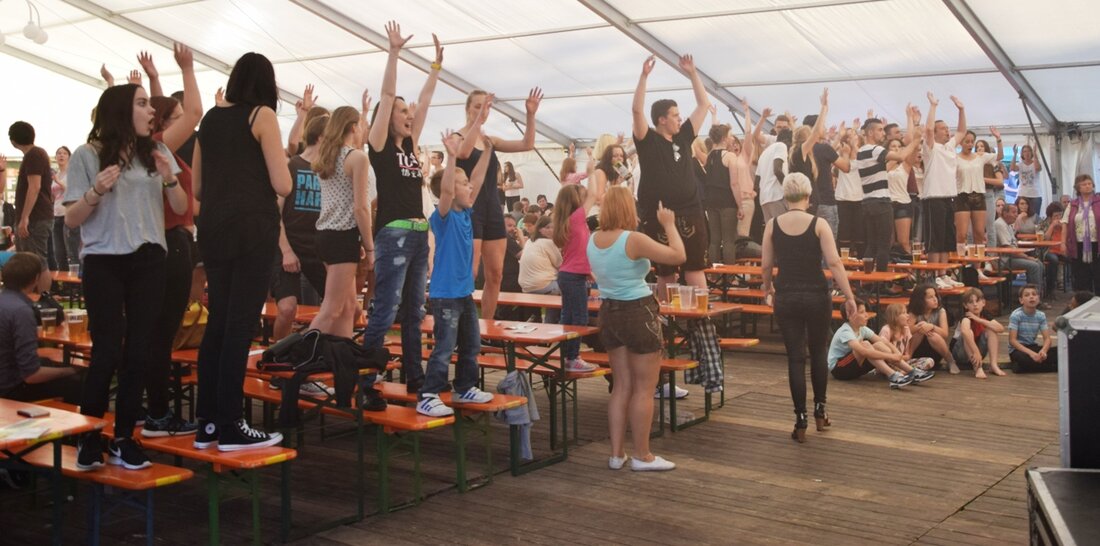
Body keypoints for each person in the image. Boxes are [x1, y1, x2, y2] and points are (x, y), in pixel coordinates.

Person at [64, 82, 190, 470]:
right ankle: (89, 436)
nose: (151, 111)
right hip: (104, 260)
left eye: (150, 105)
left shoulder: (156, 152)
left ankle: (123, 438)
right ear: (121, 110)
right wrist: (95, 192)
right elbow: (71, 219)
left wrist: (170, 179)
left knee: (140, 350)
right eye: (142, 104)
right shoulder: (88, 155)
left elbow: (183, 206)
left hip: (150, 259)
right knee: (106, 350)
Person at [191, 52, 291, 452]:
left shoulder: (210, 119)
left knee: (218, 325)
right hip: (252, 228)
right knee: (238, 326)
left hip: (213, 228)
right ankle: (232, 423)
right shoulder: (262, 115)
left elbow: (197, 189)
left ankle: (209, 424)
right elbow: (282, 184)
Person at [632, 54, 724, 395]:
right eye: (673, 115)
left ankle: (702, 335)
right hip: (659, 217)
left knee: (696, 270)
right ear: (662, 120)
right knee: (667, 276)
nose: (679, 117)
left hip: (690, 213)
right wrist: (643, 78)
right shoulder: (648, 140)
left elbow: (703, 103)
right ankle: (666, 330)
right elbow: (637, 113)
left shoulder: (684, 137)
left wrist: (693, 73)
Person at [359, 23, 443, 395]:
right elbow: (388, 91)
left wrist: (436, 69)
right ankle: (366, 374)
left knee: (414, 312)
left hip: (417, 233)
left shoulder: (410, 146)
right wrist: (393, 52)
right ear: (385, 116)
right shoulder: (379, 145)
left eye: (408, 112)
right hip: (392, 234)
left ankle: (414, 376)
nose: (408, 115)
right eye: (400, 111)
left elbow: (423, 104)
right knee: (386, 308)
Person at [589, 186, 685, 471]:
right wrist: (669, 224)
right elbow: (678, 255)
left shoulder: (593, 240)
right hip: (637, 310)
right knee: (645, 387)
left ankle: (616, 454)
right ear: (628, 209)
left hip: (608, 312)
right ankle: (643, 455)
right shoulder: (633, 239)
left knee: (621, 386)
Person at [762, 172, 858, 443]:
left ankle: (800, 418)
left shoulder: (772, 224)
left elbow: (766, 265)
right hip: (816, 294)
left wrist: (766, 287)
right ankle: (820, 411)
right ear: (808, 195)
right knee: (818, 353)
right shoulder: (819, 224)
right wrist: (849, 296)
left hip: (787, 295)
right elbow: (835, 263)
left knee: (794, 357)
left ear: (784, 196)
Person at [143, 43, 204, 437]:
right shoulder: (158, 151)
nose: (188, 123)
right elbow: (194, 111)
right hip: (172, 244)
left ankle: (153, 410)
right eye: (176, 119)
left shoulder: (161, 155)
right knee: (161, 333)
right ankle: (159, 414)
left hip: (169, 242)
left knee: (156, 331)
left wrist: (153, 81)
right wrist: (187, 68)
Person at [418, 130, 496, 417]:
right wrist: (451, 156)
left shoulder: (465, 213)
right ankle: (428, 394)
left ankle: (464, 386)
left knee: (471, 344)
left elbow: (476, 180)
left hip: (463, 294)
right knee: (445, 346)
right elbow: (449, 190)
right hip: (446, 296)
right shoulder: (445, 215)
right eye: (463, 185)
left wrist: (488, 151)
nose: (470, 188)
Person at [458, 87, 543, 322]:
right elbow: (464, 154)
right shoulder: (457, 138)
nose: (482, 112)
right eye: (477, 106)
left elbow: (527, 144)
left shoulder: (490, 141)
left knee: (495, 273)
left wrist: (530, 115)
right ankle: (464, 325)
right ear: (467, 109)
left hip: (493, 208)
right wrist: (477, 122)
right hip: (470, 210)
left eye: (485, 107)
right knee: (472, 272)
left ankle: (486, 326)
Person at [272, 114, 329, 342]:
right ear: (323, 136)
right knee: (287, 309)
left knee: (344, 307)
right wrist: (286, 251)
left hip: (317, 247)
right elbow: (275, 213)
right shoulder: (292, 165)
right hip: (288, 245)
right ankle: (276, 356)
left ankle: (311, 349)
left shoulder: (330, 170)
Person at [0, 252, 81, 403]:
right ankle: (87, 424)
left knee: (47, 361)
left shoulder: (7, 302)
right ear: (36, 278)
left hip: (5, 375)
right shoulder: (21, 311)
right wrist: (70, 370)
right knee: (75, 381)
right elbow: (31, 375)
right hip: (9, 388)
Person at [856, 108, 922, 271]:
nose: (883, 133)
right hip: (881, 201)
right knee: (884, 244)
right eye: (879, 130)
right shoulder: (875, 149)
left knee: (871, 243)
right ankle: (881, 281)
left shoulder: (861, 152)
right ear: (870, 132)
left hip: (867, 201)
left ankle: (869, 278)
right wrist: (915, 141)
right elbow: (900, 157)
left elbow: (887, 166)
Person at [828, 298, 932, 391]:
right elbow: (863, 352)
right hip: (839, 370)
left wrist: (896, 352)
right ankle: (893, 375)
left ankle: (912, 372)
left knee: (878, 345)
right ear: (850, 315)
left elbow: (883, 341)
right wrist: (890, 356)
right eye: (862, 312)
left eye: (866, 311)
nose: (866, 315)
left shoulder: (862, 329)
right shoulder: (845, 331)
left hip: (854, 367)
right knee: (865, 345)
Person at [552, 184, 599, 372]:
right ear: (575, 201)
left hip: (569, 274)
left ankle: (568, 356)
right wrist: (590, 168)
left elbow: (577, 253)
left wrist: (588, 271)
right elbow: (594, 193)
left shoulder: (568, 221)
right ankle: (573, 357)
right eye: (582, 196)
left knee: (569, 317)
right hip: (572, 276)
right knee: (579, 317)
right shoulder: (577, 218)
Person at [922, 93, 966, 283]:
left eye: (948, 128)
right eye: (943, 128)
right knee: (935, 240)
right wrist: (933, 106)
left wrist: (961, 109)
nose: (947, 131)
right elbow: (929, 129)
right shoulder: (930, 148)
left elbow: (962, 132)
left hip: (950, 198)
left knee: (948, 239)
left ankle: (944, 274)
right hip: (933, 198)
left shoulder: (949, 147)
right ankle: (934, 275)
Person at [8, 121, 54, 262]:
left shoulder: (34, 154)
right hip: (37, 217)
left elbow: (35, 187)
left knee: (35, 262)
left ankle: (42, 285)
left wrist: (24, 217)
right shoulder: (36, 154)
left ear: (13, 140)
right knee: (30, 261)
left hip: (35, 218)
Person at [954, 129, 1003, 246]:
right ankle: (962, 261)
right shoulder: (955, 157)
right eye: (967, 142)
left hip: (979, 196)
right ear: (961, 142)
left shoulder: (980, 156)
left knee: (980, 233)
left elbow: (1000, 156)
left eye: (972, 142)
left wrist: (998, 139)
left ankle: (978, 263)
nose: (970, 144)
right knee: (962, 234)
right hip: (962, 196)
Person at [949, 287, 1005, 378]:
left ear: (983, 303)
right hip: (960, 353)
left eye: (977, 301)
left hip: (977, 353)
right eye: (971, 302)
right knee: (968, 333)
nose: (975, 305)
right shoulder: (965, 316)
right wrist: (976, 352)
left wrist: (978, 320)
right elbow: (965, 332)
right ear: (966, 306)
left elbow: (1000, 328)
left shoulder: (984, 315)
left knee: (992, 329)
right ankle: (977, 368)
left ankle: (994, 365)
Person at [519, 215, 562, 324]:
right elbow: (560, 264)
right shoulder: (548, 243)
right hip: (542, 284)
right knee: (566, 287)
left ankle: (539, 320)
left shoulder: (529, 241)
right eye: (547, 227)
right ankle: (551, 323)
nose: (551, 230)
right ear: (539, 229)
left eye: (552, 227)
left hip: (525, 285)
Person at [907, 284, 958, 373]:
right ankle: (907, 359)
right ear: (921, 300)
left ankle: (950, 361)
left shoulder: (941, 311)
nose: (935, 299)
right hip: (916, 350)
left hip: (936, 349)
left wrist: (932, 327)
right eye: (930, 297)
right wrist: (919, 326)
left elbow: (945, 334)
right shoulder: (914, 312)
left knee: (933, 335)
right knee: (919, 331)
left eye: (935, 296)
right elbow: (906, 332)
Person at [1063, 174, 1100, 292]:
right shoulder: (1073, 204)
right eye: (1084, 184)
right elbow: (1065, 223)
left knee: (1098, 275)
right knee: (1081, 277)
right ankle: (1084, 303)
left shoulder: (1098, 202)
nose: (1087, 186)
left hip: (1097, 244)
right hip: (1078, 244)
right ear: (1078, 188)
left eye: (1089, 184)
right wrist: (1063, 243)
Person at [993, 204, 1044, 290]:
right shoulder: (1000, 224)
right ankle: (1034, 294)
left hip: (1011, 257)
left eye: (1017, 212)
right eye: (1014, 212)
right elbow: (1008, 248)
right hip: (1003, 260)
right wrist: (1027, 257)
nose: (1016, 215)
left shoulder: (1008, 224)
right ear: (1005, 213)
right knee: (1034, 266)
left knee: (1039, 263)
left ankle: (1037, 295)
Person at [1008, 285, 1057, 373]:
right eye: (1027, 295)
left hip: (1032, 346)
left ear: (1038, 298)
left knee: (1058, 351)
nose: (1031, 297)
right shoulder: (1016, 315)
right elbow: (1012, 341)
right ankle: (1052, 368)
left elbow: (1047, 339)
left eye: (1034, 294)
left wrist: (1043, 351)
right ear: (1021, 300)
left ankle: (1023, 368)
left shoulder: (1041, 315)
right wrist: (1031, 354)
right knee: (1023, 359)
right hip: (1018, 350)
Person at [878, 303, 935, 373]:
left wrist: (904, 358)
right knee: (889, 364)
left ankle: (906, 371)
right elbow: (883, 353)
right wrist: (901, 357)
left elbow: (907, 355)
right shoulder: (886, 330)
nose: (907, 315)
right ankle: (906, 372)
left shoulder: (906, 329)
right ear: (895, 317)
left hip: (902, 362)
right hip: (889, 362)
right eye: (904, 313)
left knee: (929, 361)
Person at [50, 146, 73, 269]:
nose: (61, 155)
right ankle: (64, 284)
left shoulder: (72, 173)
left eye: (64, 153)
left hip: (68, 214)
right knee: (58, 252)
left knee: (70, 250)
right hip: (56, 214)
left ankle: (74, 284)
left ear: (69, 157)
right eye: (59, 153)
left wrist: (58, 181)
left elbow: (72, 191)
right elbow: (53, 196)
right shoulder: (56, 174)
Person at [1012, 143, 1043, 217]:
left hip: (1035, 194)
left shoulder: (1035, 163)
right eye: (1024, 151)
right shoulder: (1020, 164)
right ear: (1022, 154)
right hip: (1022, 194)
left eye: (1029, 151)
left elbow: (1038, 168)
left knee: (1034, 216)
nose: (1027, 153)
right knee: (1020, 215)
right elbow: (1012, 168)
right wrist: (1015, 154)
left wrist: (1035, 154)